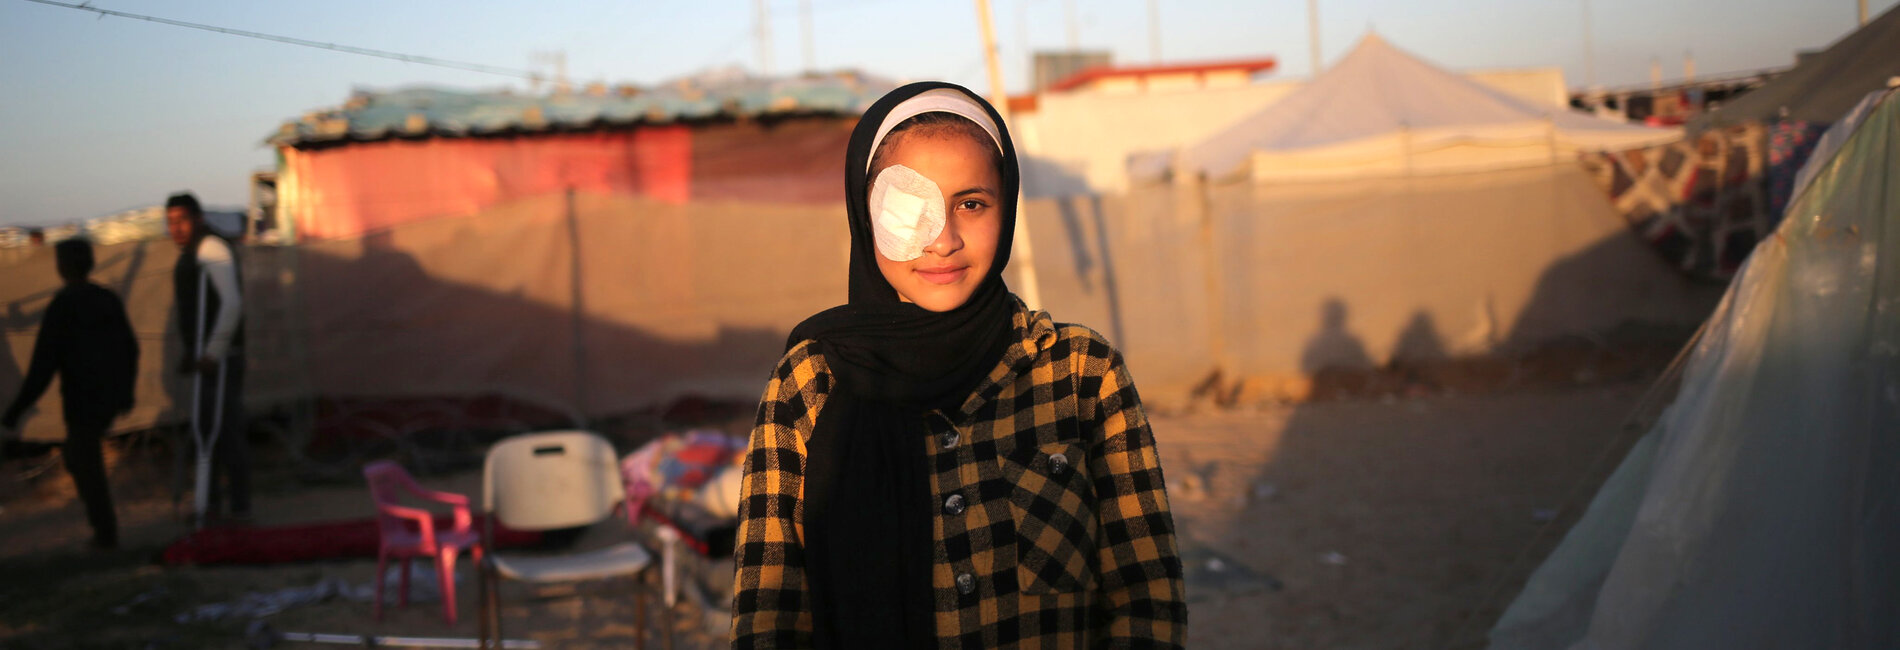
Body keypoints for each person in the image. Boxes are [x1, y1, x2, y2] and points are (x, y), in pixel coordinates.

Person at [730, 82, 1187, 648]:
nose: (942, 240)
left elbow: (1147, 592)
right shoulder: (810, 382)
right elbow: (769, 609)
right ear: (863, 213)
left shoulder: (1080, 373)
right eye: (908, 208)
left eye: (970, 204)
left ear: (1008, 205)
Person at [2, 238, 139, 549]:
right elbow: (130, 349)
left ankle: (105, 535)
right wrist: (126, 392)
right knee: (79, 456)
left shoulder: (63, 305)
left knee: (85, 462)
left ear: (62, 266)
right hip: (104, 397)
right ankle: (104, 530)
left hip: (82, 400)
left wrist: (16, 409)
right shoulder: (106, 299)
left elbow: (42, 365)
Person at [166, 192, 250, 523]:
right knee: (208, 431)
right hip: (208, 357)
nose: (177, 228)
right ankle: (209, 503)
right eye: (171, 222)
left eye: (182, 220)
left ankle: (240, 508)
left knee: (225, 432)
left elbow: (232, 304)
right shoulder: (191, 253)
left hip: (223, 358)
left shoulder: (211, 249)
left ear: (198, 219)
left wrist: (212, 353)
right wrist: (193, 354)